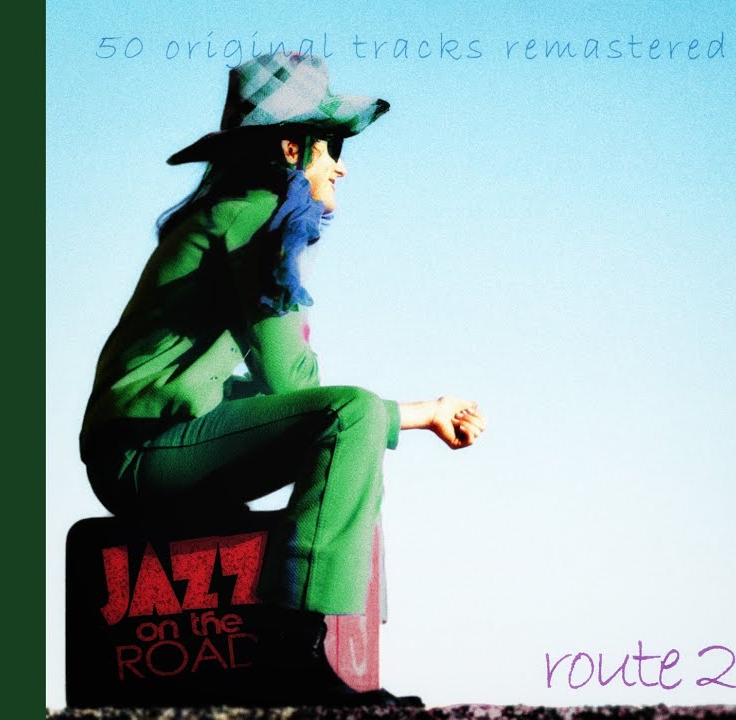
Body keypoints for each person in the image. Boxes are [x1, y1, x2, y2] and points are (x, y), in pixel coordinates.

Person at [78, 52, 487, 707]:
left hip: (148, 444)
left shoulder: (229, 215)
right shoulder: (251, 216)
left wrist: (415, 412)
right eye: (333, 149)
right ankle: (296, 646)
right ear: (291, 149)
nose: (342, 167)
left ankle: (321, 638)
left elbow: (257, 389)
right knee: (350, 415)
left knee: (347, 422)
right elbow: (289, 380)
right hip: (142, 453)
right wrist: (417, 412)